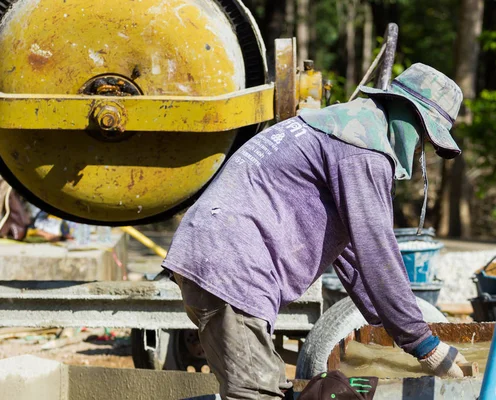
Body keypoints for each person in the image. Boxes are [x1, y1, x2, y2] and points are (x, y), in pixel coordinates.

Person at [162, 63, 469, 399]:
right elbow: (377, 251)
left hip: (215, 255)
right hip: (231, 265)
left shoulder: (340, 128)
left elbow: (353, 254)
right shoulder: (364, 150)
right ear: (411, 117)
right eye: (424, 138)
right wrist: (424, 345)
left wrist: (384, 327)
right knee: (255, 392)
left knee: (267, 383)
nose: (420, 149)